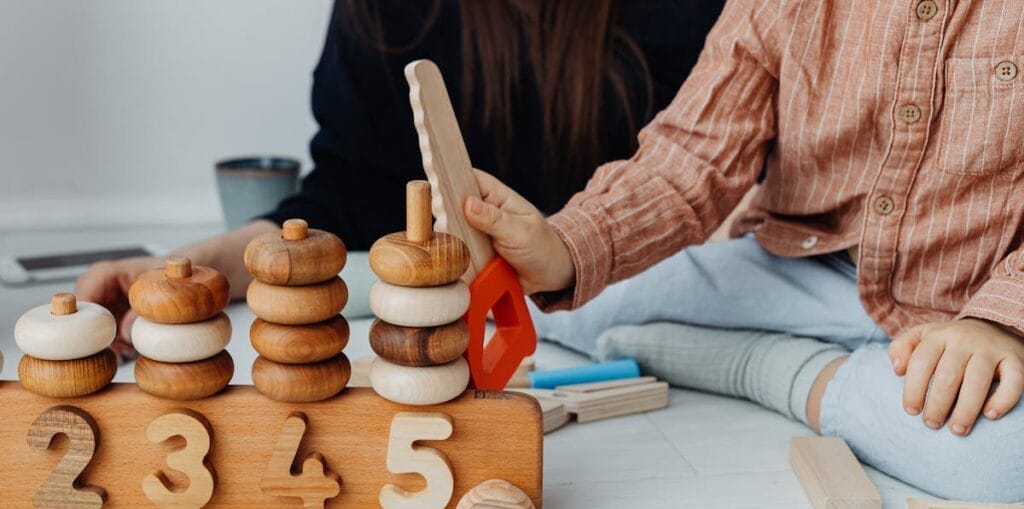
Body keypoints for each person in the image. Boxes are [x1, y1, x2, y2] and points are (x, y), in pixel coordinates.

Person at [462, 0, 1024, 502]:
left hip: (975, 310)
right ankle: (370, 271)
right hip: (802, 267)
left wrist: (1001, 322)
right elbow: (694, 156)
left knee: (1004, 460)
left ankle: (769, 367)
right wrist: (563, 246)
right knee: (570, 296)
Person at [75, 0, 725, 356]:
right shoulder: (391, 13)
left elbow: (703, 185)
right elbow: (346, 191)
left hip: (641, 314)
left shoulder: (687, 17)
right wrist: (199, 268)